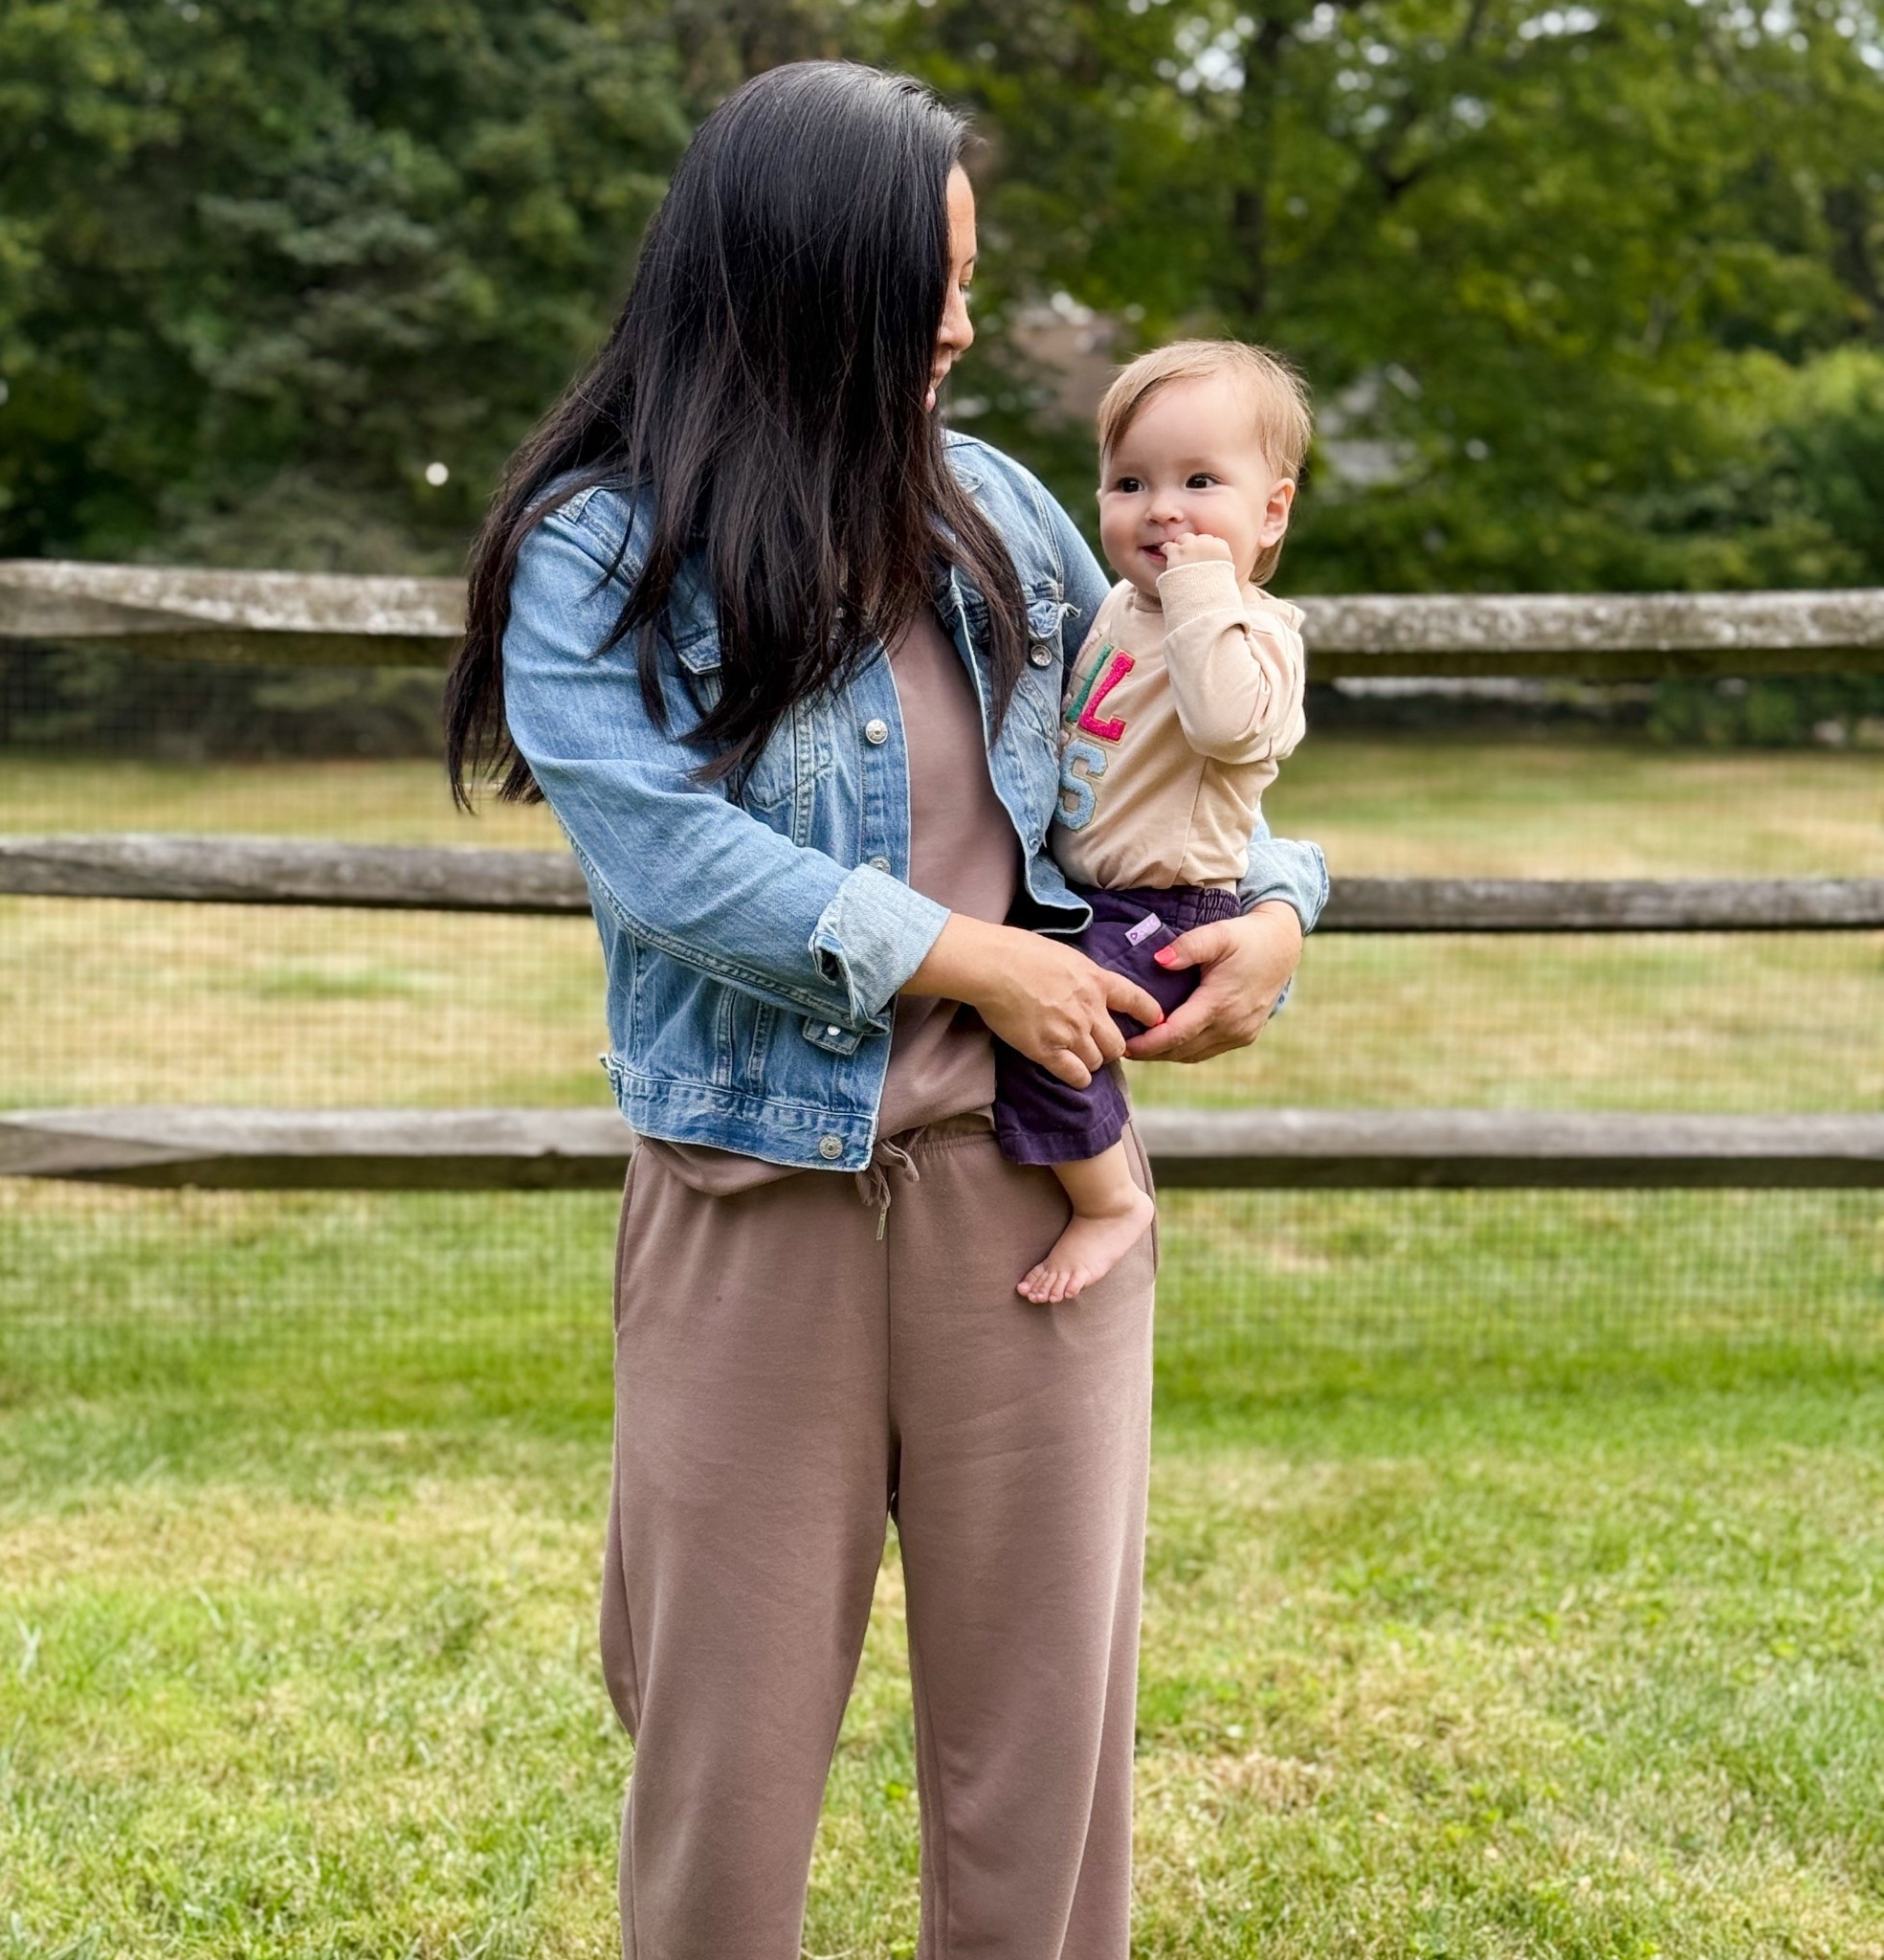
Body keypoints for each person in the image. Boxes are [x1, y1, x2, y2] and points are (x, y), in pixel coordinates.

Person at [445, 60, 1327, 1960]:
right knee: (722, 1754)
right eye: (925, 276)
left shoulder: (1003, 510)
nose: (958, 320)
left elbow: (1157, 760)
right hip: (758, 1207)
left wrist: (1282, 915)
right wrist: (967, 954)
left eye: (964, 272)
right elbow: (666, 856)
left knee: (1043, 1755)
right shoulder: (601, 547)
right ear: (798, 273)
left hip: (1022, 1202)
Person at [1000, 341, 1313, 1304]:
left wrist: (1201, 588)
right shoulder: (1121, 611)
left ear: (1271, 511)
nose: (1160, 508)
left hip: (1166, 906)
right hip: (1089, 886)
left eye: (1199, 481)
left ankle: (1108, 1201)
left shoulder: (1255, 633)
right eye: (1129, 482)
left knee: (1046, 1023)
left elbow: (1224, 722)